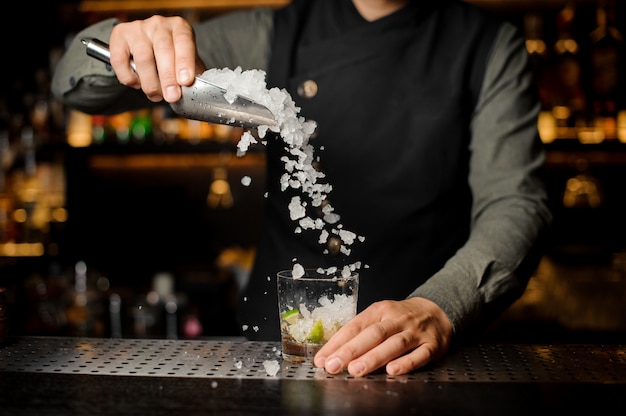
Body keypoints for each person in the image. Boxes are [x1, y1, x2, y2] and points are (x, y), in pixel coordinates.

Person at [51, 0, 552, 377]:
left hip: (423, 359)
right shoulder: (273, 31)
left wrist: (443, 306)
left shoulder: (489, 46)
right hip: (274, 354)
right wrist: (128, 40)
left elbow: (516, 203)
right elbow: (72, 84)